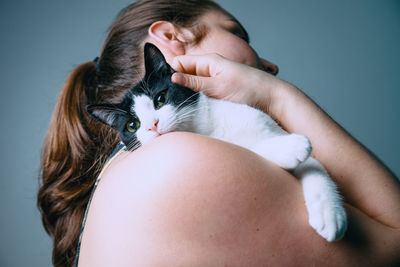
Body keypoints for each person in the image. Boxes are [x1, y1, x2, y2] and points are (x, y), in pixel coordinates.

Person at [38, 0, 400, 266]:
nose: (271, 66)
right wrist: (276, 96)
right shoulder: (176, 158)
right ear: (169, 36)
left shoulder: (128, 174)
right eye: (236, 32)